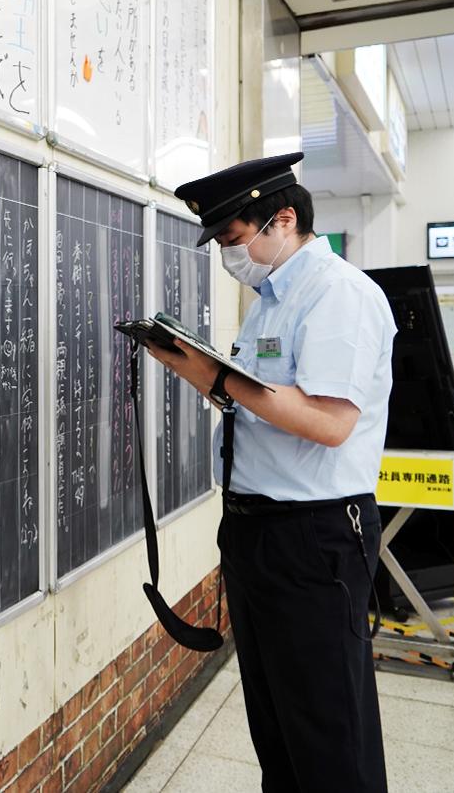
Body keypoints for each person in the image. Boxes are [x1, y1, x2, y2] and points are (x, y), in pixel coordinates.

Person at [148, 152, 395, 793]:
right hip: (256, 530)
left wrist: (217, 376)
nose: (229, 254)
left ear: (282, 219)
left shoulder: (337, 294)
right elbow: (263, 406)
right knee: (277, 718)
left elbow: (330, 423)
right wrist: (198, 371)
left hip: (313, 536)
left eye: (233, 239)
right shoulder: (271, 299)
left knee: (326, 724)